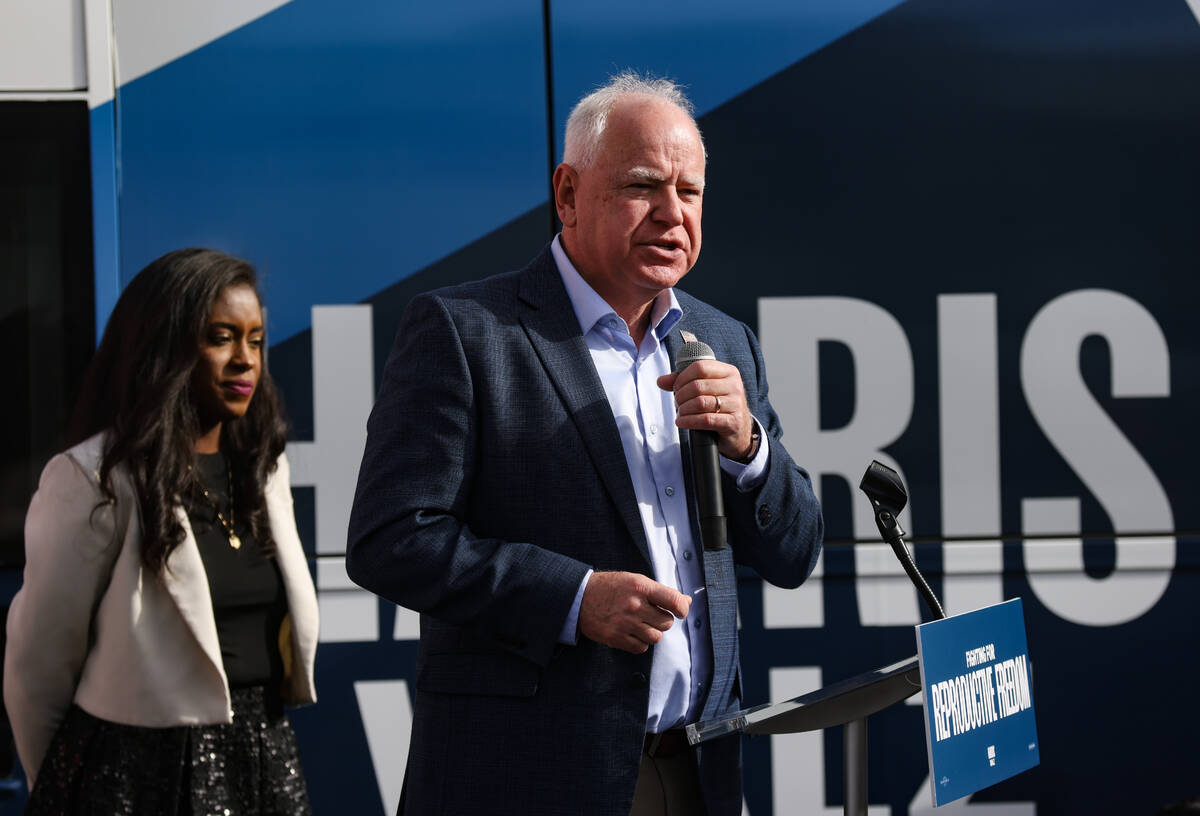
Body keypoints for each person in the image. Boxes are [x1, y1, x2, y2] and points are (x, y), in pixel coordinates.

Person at [346, 72, 823, 816]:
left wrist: (748, 446)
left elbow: (794, 554)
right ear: (567, 193)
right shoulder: (468, 332)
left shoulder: (723, 341)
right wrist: (573, 598)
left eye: (690, 193)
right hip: (528, 778)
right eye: (642, 186)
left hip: (697, 772)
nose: (672, 214)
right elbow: (392, 538)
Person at [4, 248, 319, 814]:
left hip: (265, 752)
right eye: (221, 338)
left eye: (255, 340)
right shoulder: (92, 477)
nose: (244, 360)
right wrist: (63, 788)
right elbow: (37, 666)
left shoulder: (264, 470)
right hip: (131, 773)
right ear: (165, 348)